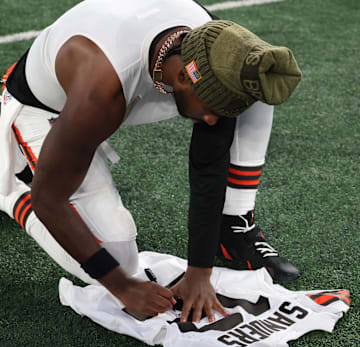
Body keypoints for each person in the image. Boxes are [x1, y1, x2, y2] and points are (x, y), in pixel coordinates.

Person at [0, 0, 302, 323]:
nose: (213, 121)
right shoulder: (101, 89)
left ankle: (234, 227)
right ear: (185, 79)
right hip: (49, 107)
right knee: (115, 255)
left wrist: (199, 272)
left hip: (136, 78)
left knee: (251, 89)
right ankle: (11, 193)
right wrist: (123, 286)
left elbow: (207, 166)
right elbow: (49, 199)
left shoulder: (214, 49)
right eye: (211, 107)